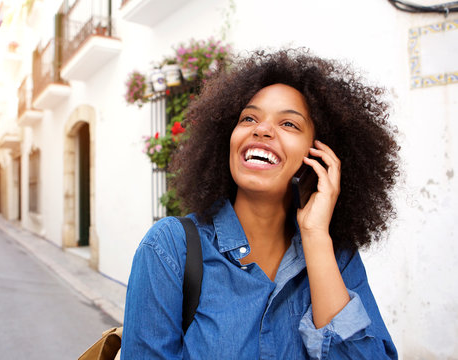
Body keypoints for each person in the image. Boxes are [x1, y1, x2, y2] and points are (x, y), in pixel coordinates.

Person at [121, 49, 400, 359]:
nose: (262, 129)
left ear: (319, 155)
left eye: (289, 124)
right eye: (249, 118)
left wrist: (316, 236)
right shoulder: (169, 248)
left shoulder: (338, 258)